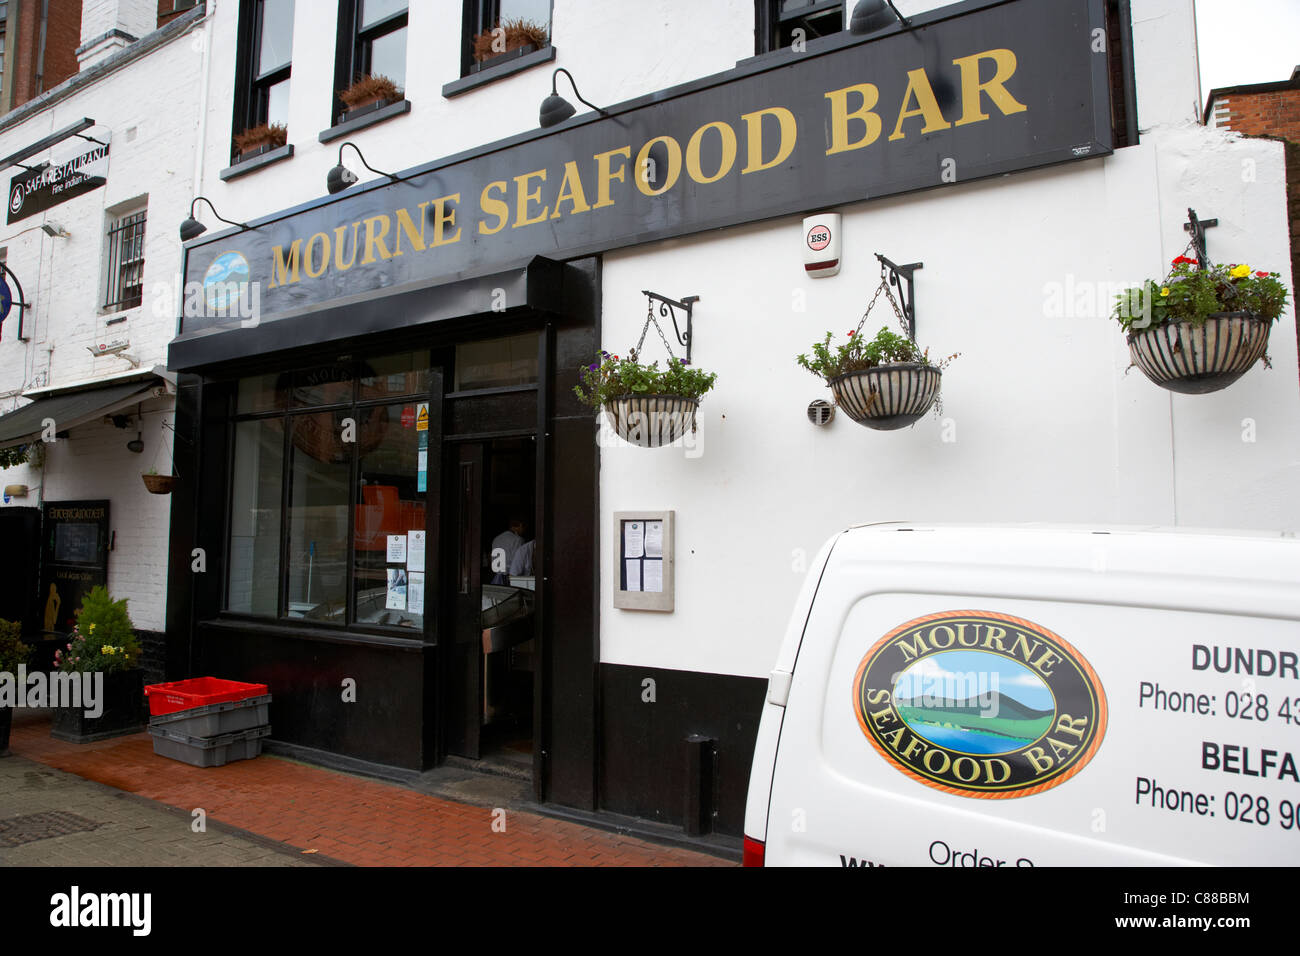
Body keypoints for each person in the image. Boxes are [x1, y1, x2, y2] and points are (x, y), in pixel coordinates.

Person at [489, 519, 525, 584]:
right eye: (522, 527)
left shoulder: (497, 538)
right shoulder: (518, 539)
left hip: (495, 576)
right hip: (509, 577)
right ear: (515, 527)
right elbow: (517, 561)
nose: (523, 530)